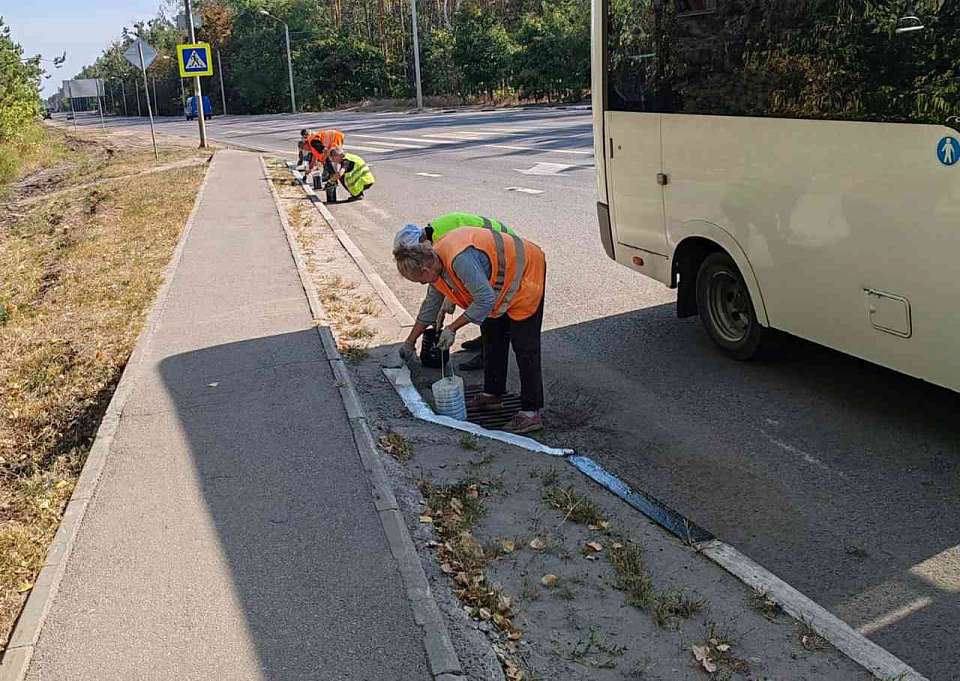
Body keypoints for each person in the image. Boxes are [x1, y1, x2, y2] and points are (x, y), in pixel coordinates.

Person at [391, 226, 547, 434]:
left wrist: (453, 328)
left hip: (526, 272)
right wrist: (410, 342)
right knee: (492, 336)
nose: (421, 283)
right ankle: (493, 395)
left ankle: (531, 412)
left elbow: (485, 299)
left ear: (425, 271)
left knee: (525, 346)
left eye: (419, 280)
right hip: (498, 286)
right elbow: (429, 307)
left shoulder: (459, 260)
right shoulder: (434, 264)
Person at [393, 214, 520, 370]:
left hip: (507, 252)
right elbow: (433, 299)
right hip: (489, 255)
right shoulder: (431, 250)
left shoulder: (449, 247)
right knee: (482, 304)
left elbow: (478, 289)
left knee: (491, 308)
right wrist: (410, 342)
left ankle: (487, 354)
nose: (421, 282)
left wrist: (452, 322)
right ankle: (485, 341)